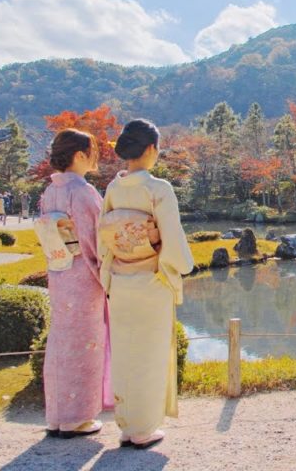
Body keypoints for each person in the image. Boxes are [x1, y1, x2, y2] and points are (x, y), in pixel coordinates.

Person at [99, 119, 193, 449]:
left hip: (121, 282)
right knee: (149, 356)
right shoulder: (158, 189)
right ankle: (143, 428)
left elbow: (104, 238)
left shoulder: (113, 188)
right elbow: (172, 238)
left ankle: (127, 423)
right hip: (152, 281)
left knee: (125, 352)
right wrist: (183, 266)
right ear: (151, 149)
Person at [38, 129, 112, 438]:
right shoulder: (82, 192)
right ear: (79, 156)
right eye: (93, 151)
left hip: (59, 271)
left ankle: (56, 416)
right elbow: (94, 240)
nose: (96, 157)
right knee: (84, 344)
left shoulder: (50, 192)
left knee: (61, 341)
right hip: (83, 276)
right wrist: (107, 277)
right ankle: (76, 417)